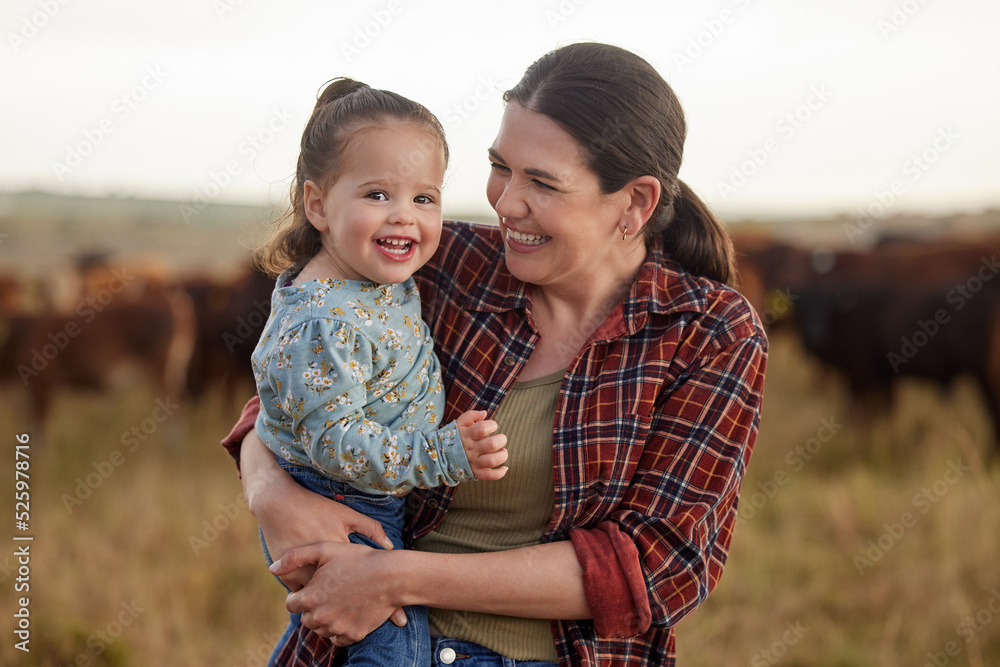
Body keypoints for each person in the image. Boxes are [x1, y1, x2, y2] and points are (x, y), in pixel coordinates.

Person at [223, 42, 768, 666]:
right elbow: (299, 384)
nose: (505, 202)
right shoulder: (439, 263)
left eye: (542, 181)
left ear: (635, 203)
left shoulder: (708, 331)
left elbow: (657, 568)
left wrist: (396, 576)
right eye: (499, 165)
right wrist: (274, 495)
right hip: (357, 643)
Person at [249, 77, 509, 667]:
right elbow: (335, 440)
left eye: (424, 198)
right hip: (340, 497)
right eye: (377, 195)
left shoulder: (366, 278)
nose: (405, 219)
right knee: (388, 647)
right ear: (316, 204)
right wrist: (443, 455)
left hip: (371, 497)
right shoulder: (322, 319)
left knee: (355, 637)